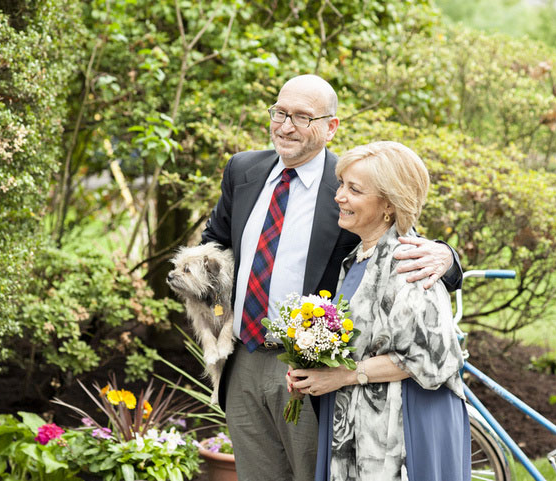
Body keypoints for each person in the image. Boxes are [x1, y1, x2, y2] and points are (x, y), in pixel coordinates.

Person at [201, 74, 463, 481]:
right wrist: (209, 311)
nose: (286, 126)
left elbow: (401, 244)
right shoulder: (243, 170)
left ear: (331, 126)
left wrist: (448, 256)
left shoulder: (349, 186)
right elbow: (215, 243)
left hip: (310, 371)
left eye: (302, 117)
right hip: (243, 358)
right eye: (280, 113)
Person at [288, 141, 470, 481]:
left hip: (405, 423)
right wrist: (311, 368)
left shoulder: (411, 263)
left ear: (389, 204)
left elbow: (429, 357)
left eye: (354, 189)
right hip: (358, 417)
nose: (339, 196)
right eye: (341, 184)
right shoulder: (359, 255)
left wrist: (341, 375)